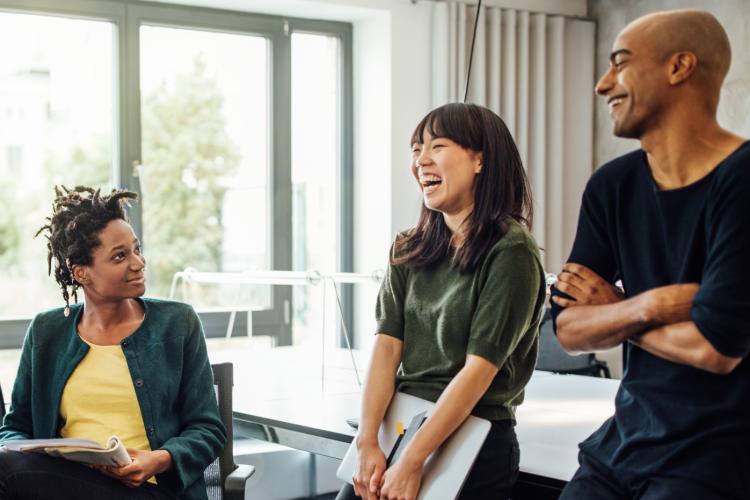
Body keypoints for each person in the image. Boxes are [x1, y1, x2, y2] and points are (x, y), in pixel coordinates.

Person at [551, 9, 750, 500]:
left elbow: (716, 348)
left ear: (679, 67)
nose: (602, 85)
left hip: (716, 459)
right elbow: (568, 329)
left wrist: (613, 309)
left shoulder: (742, 179)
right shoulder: (611, 186)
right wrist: (651, 304)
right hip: (622, 445)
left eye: (620, 63)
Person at [340, 103, 546, 500]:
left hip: (471, 437)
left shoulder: (511, 251)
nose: (421, 160)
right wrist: (367, 441)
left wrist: (413, 460)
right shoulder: (408, 247)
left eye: (437, 146)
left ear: (480, 159)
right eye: (416, 149)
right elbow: (386, 347)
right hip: (401, 425)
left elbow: (477, 373)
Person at [0, 186, 226, 500]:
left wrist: (158, 460)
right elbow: (15, 427)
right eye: (120, 256)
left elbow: (208, 429)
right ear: (81, 272)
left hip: (150, 490)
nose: (138, 263)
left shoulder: (178, 322)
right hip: (66, 485)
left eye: (136, 249)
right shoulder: (46, 331)